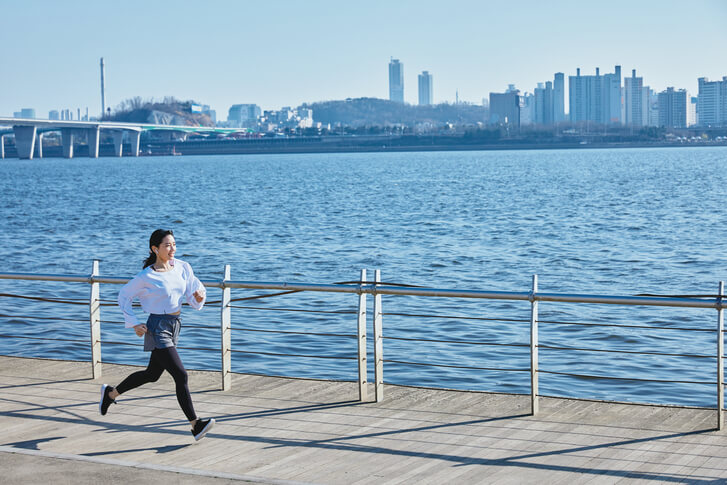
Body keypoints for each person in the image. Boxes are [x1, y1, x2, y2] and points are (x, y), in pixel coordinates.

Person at [99, 229, 215, 441]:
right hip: (157, 326)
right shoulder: (146, 276)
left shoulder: (182, 267)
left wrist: (198, 296)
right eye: (167, 245)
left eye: (174, 244)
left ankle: (110, 394)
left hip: (175, 324)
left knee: (152, 375)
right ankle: (195, 425)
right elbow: (123, 296)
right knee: (181, 375)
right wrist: (134, 323)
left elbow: (193, 291)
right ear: (155, 249)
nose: (173, 249)